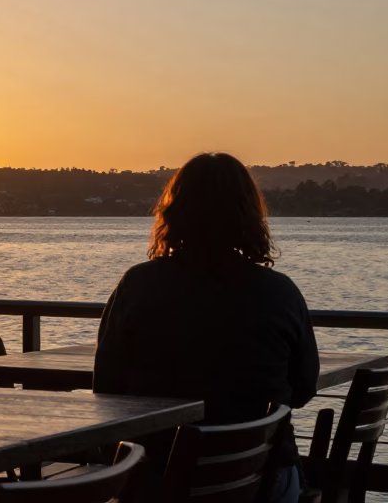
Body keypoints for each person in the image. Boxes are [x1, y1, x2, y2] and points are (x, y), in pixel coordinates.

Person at [93, 153, 318, 503]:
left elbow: (106, 388)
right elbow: (303, 390)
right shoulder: (281, 292)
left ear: (175, 212)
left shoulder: (138, 285)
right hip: (262, 477)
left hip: (158, 480)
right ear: (249, 215)